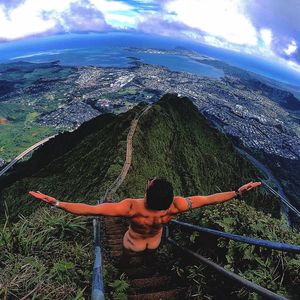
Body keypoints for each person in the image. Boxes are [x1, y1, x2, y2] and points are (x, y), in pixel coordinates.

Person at [29, 178, 261, 252]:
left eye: (150, 183)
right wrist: (238, 192)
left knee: (130, 254)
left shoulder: (131, 207)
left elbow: (90, 209)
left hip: (134, 242)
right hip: (156, 240)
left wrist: (56, 202)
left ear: (147, 193)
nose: (149, 181)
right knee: (149, 253)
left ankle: (128, 262)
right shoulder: (177, 205)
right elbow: (209, 198)